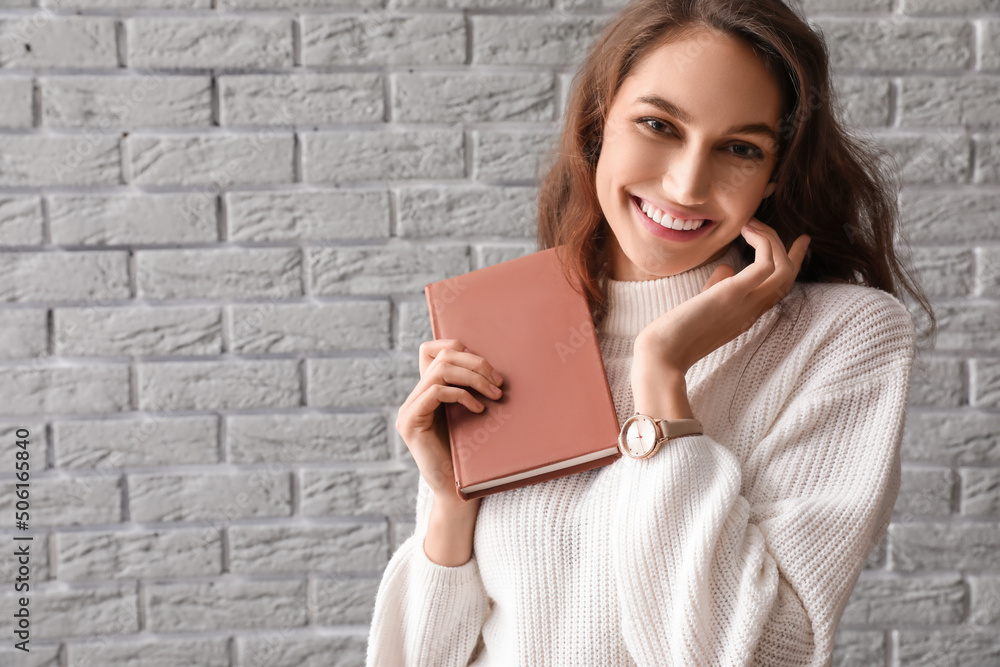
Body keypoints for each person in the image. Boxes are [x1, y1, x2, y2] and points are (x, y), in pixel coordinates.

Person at [365, 0, 936, 664]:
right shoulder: (514, 322)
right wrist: (449, 501)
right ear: (596, 124)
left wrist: (663, 374)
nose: (689, 183)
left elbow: (759, 654)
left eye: (740, 147)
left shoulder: (842, 337)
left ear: (774, 173)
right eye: (658, 124)